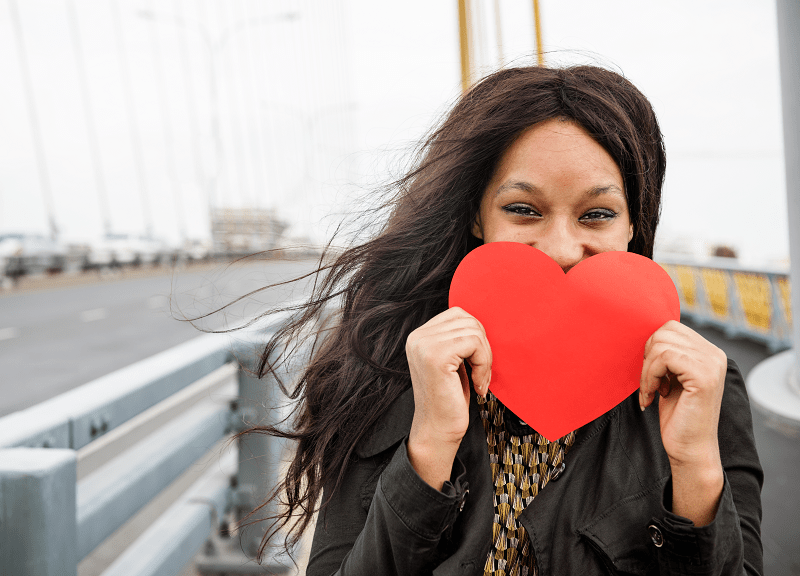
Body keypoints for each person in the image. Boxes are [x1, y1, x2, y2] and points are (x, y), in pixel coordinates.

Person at [249, 64, 763, 576]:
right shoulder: (391, 368)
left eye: (597, 214)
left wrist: (695, 467)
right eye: (524, 209)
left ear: (634, 224)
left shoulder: (699, 385)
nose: (562, 248)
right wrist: (427, 448)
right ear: (477, 215)